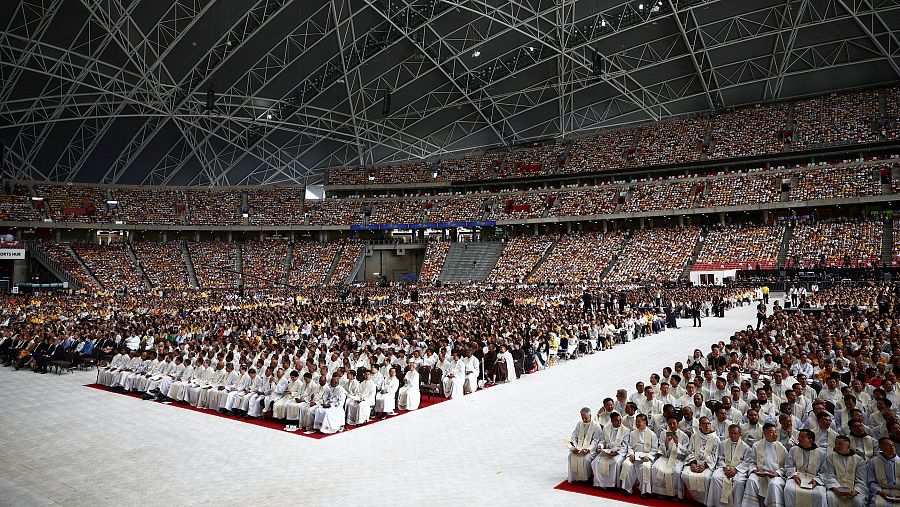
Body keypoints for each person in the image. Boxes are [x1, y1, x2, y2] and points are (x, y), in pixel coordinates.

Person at [743, 423, 787, 507]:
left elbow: (786, 465)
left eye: (775, 432)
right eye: (771, 432)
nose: (775, 434)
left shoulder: (781, 447)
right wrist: (754, 470)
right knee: (751, 480)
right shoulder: (756, 445)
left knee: (773, 484)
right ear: (765, 433)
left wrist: (777, 472)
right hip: (760, 474)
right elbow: (751, 462)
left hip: (775, 475)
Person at [708, 424, 751, 507]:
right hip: (725, 467)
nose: (733, 435)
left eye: (735, 433)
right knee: (715, 477)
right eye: (731, 433)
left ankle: (736, 505)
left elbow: (746, 462)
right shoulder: (723, 443)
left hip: (738, 470)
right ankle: (717, 504)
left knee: (738, 482)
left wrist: (736, 469)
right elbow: (720, 458)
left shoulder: (746, 447)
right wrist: (724, 468)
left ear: (739, 434)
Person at [783, 429, 827, 507]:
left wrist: (816, 480)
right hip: (796, 478)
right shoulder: (793, 450)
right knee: (788, 490)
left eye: (802, 437)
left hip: (814, 480)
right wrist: (794, 475)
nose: (799, 439)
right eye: (799, 436)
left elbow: (824, 471)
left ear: (810, 440)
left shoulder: (821, 453)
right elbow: (789, 465)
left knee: (819, 495)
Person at [682, 417, 720, 504]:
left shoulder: (715, 439)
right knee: (684, 475)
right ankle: (693, 497)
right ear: (700, 425)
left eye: (708, 424)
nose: (707, 426)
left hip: (707, 465)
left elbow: (715, 455)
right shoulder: (695, 436)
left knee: (706, 478)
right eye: (704, 424)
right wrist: (692, 463)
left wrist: (704, 465)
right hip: (695, 461)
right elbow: (690, 450)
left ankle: (704, 500)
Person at [620, 414, 658, 499]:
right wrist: (631, 454)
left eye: (639, 421)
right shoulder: (633, 433)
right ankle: (627, 489)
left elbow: (655, 449)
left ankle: (645, 491)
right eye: (636, 421)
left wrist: (648, 456)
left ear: (645, 422)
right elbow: (629, 446)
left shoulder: (652, 434)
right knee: (627, 464)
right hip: (634, 457)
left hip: (645, 458)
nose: (637, 423)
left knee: (645, 467)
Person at [651, 416, 689, 498]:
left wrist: (677, 444)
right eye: (670, 424)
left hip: (678, 458)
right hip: (666, 457)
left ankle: (675, 494)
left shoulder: (684, 436)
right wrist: (666, 444)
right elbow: (661, 450)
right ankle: (660, 492)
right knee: (655, 467)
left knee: (676, 471)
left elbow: (685, 452)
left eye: (674, 423)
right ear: (667, 424)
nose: (672, 425)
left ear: (678, 423)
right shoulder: (663, 434)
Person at [824, 435, 867, 507]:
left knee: (858, 501)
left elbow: (861, 479)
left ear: (849, 446)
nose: (837, 446)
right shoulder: (831, 457)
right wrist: (836, 488)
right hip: (836, 489)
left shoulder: (859, 460)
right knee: (830, 497)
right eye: (836, 444)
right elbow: (830, 475)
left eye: (840, 444)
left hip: (853, 490)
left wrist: (855, 491)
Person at [592, 412, 629, 490]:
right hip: (607, 451)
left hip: (618, 452)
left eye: (620, 420)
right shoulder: (606, 428)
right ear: (611, 421)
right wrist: (600, 446)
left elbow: (625, 445)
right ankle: (599, 483)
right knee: (595, 462)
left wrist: (616, 452)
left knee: (615, 462)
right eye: (616, 420)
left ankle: (612, 484)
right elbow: (602, 441)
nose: (619, 422)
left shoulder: (625, 430)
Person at [567, 407, 601, 483]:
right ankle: (574, 477)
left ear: (590, 416)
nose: (584, 420)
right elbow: (574, 436)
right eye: (582, 418)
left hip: (590, 450)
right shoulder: (579, 424)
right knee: (571, 456)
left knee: (585, 459)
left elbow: (595, 441)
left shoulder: (596, 426)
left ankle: (586, 478)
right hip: (579, 448)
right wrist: (576, 446)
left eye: (585, 418)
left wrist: (588, 449)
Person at [868, 437, 900, 506]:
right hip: (881, 491)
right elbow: (871, 481)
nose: (892, 447)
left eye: (893, 445)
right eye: (888, 445)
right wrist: (879, 492)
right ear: (881, 447)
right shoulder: (873, 462)